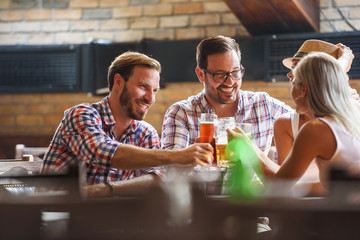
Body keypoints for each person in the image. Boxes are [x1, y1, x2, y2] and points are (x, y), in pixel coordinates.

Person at [41, 51, 213, 197]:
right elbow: (103, 152)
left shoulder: (146, 132)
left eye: (154, 90)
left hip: (111, 224)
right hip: (56, 219)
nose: (150, 98)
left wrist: (103, 190)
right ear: (118, 82)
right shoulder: (81, 114)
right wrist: (177, 156)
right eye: (143, 87)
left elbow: (155, 178)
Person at [228, 52, 360, 194]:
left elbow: (280, 186)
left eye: (293, 82)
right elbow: (329, 77)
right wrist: (345, 57)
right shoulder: (352, 109)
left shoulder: (315, 129)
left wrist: (245, 145)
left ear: (303, 88)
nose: (291, 86)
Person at [161, 35, 293, 154]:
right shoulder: (181, 113)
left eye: (235, 73)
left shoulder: (263, 104)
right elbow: (170, 171)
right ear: (201, 74)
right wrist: (190, 158)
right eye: (220, 75)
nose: (230, 82)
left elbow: (306, 125)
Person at [274, 39, 357, 166]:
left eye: (297, 67)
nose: (290, 74)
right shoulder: (286, 123)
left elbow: (283, 181)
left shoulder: (353, 110)